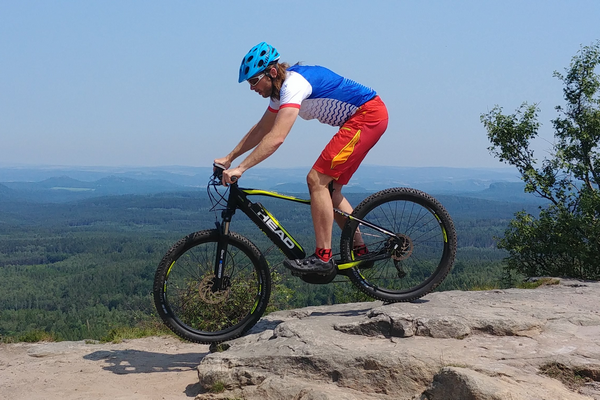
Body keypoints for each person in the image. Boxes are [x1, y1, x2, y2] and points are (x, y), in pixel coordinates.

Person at [214, 41, 388, 276]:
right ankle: (361, 250)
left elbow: (276, 137)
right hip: (362, 118)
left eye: (254, 81)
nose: (252, 88)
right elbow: (262, 129)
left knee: (316, 180)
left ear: (272, 72)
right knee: (330, 190)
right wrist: (229, 157)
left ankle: (323, 258)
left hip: (367, 115)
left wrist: (241, 168)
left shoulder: (293, 85)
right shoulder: (280, 92)